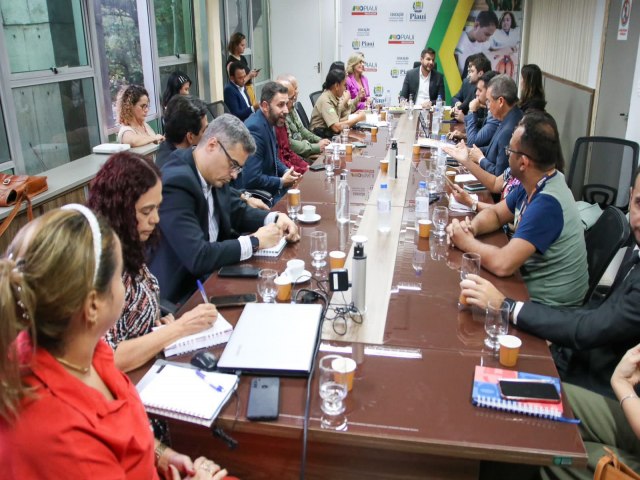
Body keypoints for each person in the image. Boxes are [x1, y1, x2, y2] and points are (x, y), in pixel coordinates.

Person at [0, 206, 230, 479]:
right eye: (119, 276)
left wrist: (162, 455)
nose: (126, 286)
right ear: (93, 305)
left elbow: (124, 436)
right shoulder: (59, 435)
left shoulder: (84, 348)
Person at [461, 166, 640, 399]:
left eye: (511, 151)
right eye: (638, 203)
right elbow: (601, 315)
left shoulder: (549, 200)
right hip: (581, 348)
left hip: (606, 387)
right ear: (630, 194)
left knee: (495, 391)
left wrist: (507, 305)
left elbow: (590, 329)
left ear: (523, 160)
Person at [87, 152, 218, 373]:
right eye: (146, 211)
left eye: (157, 207)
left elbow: (134, 315)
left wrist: (157, 326)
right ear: (120, 208)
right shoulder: (98, 263)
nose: (156, 219)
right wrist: (178, 329)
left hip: (148, 362)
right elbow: (108, 357)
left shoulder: (128, 243)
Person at [149, 114, 299, 304]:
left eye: (239, 168)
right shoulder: (176, 182)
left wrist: (275, 218)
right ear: (212, 146)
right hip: (184, 296)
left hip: (217, 276)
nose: (235, 175)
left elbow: (237, 211)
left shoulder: (213, 173)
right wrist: (254, 242)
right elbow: (198, 256)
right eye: (233, 165)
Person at [447, 111, 588, 307]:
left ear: (524, 162)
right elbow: (497, 214)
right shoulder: (535, 181)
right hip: (528, 286)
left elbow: (503, 264)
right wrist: (472, 228)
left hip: (549, 309)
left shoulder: (547, 204)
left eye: (509, 151)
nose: (507, 155)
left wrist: (466, 242)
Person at [157, 95, 267, 210]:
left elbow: (220, 191)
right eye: (205, 130)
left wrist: (243, 196)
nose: (210, 135)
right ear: (190, 137)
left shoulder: (186, 153)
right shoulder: (173, 174)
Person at [241, 82, 302, 201]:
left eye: (286, 104)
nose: (286, 110)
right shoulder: (255, 130)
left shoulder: (269, 121)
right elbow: (252, 178)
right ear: (265, 106)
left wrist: (286, 171)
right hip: (262, 198)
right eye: (280, 105)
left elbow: (273, 158)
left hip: (273, 190)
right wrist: (281, 181)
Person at [471, 74, 523, 176]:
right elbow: (495, 149)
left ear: (500, 101)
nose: (488, 106)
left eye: (489, 101)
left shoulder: (510, 130)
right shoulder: (512, 115)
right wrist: (473, 151)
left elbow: (499, 174)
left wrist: (480, 159)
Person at [280, 74, 330, 160]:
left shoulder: (291, 107)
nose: (297, 93)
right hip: (298, 155)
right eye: (295, 89)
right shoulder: (281, 115)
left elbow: (301, 130)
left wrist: (319, 140)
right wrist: (315, 148)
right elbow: (290, 144)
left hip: (303, 151)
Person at [448, 71, 499, 147]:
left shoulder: (496, 115)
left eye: (480, 90)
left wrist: (472, 111)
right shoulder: (487, 108)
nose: (476, 93)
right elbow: (483, 137)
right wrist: (464, 136)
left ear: (490, 91)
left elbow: (473, 143)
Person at [309, 69, 366, 138]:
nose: (345, 89)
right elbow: (336, 127)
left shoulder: (334, 96)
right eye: (344, 85)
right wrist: (358, 118)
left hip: (328, 134)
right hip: (320, 138)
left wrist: (354, 116)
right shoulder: (326, 100)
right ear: (336, 86)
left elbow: (337, 119)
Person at [157, 95, 209, 168]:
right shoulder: (180, 170)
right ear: (190, 137)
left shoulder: (165, 149)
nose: (208, 134)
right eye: (204, 131)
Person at [274, 79, 309, 175]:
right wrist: (302, 171)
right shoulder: (269, 125)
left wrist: (306, 167)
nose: (285, 110)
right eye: (281, 104)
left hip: (291, 168)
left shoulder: (281, 120)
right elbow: (280, 161)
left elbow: (288, 152)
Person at [455, 10, 499, 78]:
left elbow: (492, 49)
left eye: (490, 36)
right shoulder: (457, 40)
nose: (487, 39)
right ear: (476, 25)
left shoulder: (483, 43)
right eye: (486, 34)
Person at [451, 53, 491, 120]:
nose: (468, 74)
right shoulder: (467, 82)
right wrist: (458, 105)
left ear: (480, 73)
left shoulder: (489, 89)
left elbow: (485, 121)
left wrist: (465, 119)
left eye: (471, 71)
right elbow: (455, 99)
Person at [226, 32, 259, 105]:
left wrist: (252, 74)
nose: (244, 47)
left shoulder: (243, 58)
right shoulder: (231, 62)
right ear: (235, 46)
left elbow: (246, 75)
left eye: (245, 45)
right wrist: (249, 75)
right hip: (242, 92)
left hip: (249, 89)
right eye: (242, 45)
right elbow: (235, 83)